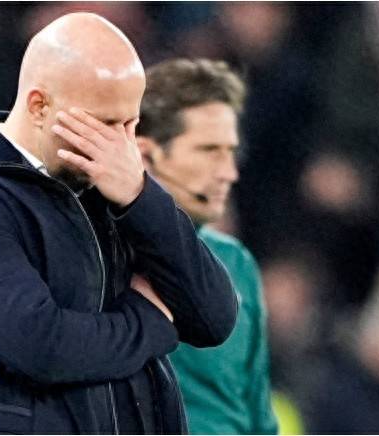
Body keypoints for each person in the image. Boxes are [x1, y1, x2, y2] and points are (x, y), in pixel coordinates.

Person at [0, 13, 238, 435]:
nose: (123, 144)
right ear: (39, 106)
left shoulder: (118, 188)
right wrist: (150, 320)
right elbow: (42, 347)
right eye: (105, 124)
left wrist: (143, 198)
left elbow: (213, 316)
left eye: (131, 123)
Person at [136, 58, 278, 434]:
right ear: (146, 154)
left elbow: (258, 411)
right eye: (209, 150)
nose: (229, 173)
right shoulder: (100, 254)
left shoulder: (236, 262)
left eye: (231, 152)